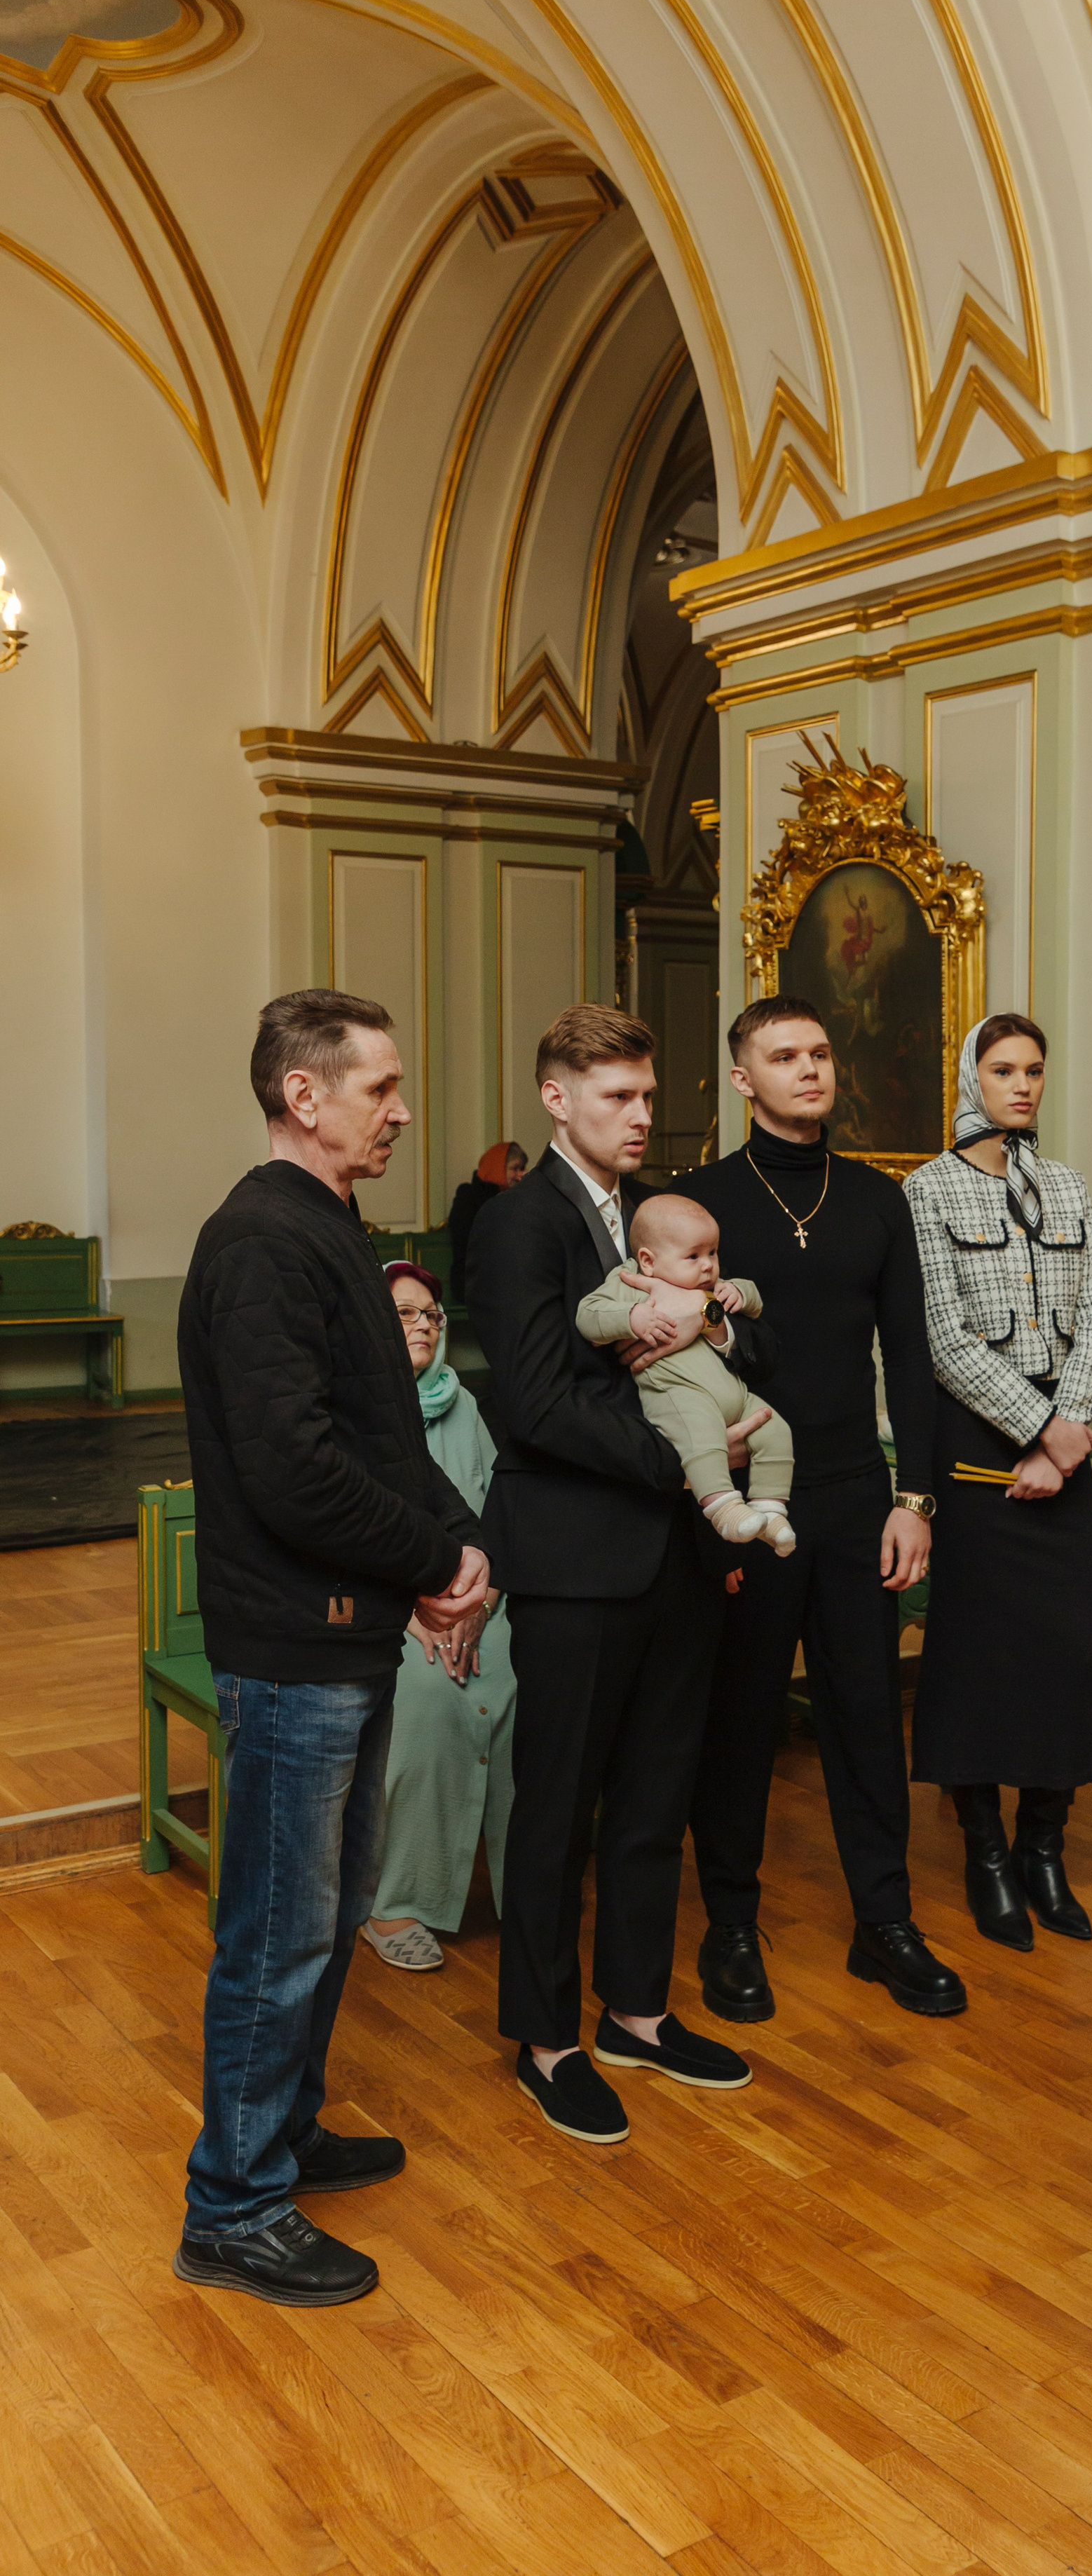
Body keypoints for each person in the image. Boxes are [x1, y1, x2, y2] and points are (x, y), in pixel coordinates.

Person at [175, 989, 489, 2310]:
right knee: (276, 1936)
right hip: (299, 1648)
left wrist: (460, 1538)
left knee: (323, 1920)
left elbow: (382, 1438)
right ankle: (233, 2208)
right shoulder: (261, 1240)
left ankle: (284, 2137)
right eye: (379, 1087)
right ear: (305, 1097)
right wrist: (431, 1567)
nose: (401, 1109)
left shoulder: (331, 1230)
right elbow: (298, 1475)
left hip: (345, 1642)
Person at [467, 1004, 774, 2146]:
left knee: (657, 1796)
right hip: (578, 1557)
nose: (643, 1115)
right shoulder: (520, 1225)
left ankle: (638, 2012)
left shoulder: (661, 1218)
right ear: (558, 1099)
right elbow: (537, 1403)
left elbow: (743, 1339)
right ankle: (548, 2041)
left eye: (649, 1095)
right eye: (617, 1097)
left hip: (675, 1559)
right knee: (558, 1808)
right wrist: (686, 1459)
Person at [669, 995, 964, 2024]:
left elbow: (914, 1361)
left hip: (853, 1493)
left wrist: (916, 1498)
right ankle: (732, 1927)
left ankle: (885, 1924)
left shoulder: (879, 1202)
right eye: (784, 1056)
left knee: (867, 1716)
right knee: (741, 1719)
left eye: (822, 1053)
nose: (810, 1069)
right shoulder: (698, 1202)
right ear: (744, 1080)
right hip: (746, 1500)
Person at [903, 1013, 1092, 1950]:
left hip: (1062, 1449)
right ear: (970, 1078)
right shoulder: (925, 1191)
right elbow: (942, 1340)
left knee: (1065, 1660)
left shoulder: (1065, 1186)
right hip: (978, 1446)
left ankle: (1044, 1851)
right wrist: (1034, 1430)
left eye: (1034, 1069)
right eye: (1003, 1069)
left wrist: (1065, 1437)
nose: (1022, 1085)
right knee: (980, 1661)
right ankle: (985, 1856)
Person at [362, 1260, 516, 1971]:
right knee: (424, 1697)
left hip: (479, 1605)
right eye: (403, 1313)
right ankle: (396, 1904)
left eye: (431, 1314)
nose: (423, 1324)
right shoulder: (350, 1413)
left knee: (526, 1683)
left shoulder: (466, 1408)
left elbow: (498, 1525)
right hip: (382, 1614)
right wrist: (413, 1615)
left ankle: (529, 1891)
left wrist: (480, 1606)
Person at [575, 1192, 795, 1552]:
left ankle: (771, 1509)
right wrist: (630, 1318)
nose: (708, 1265)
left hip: (733, 1393)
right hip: (680, 1395)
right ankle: (724, 1508)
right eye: (694, 1256)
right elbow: (589, 1314)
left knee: (776, 1430)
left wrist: (738, 1292)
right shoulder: (629, 1282)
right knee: (703, 1438)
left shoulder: (710, 1288)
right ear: (648, 1261)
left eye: (713, 1253)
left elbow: (754, 1300)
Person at [447, 1140, 526, 1300]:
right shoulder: (468, 1196)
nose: (521, 1175)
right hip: (473, 1282)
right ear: (497, 1168)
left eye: (522, 1169)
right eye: (515, 1169)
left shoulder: (518, 1198)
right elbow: (471, 1241)